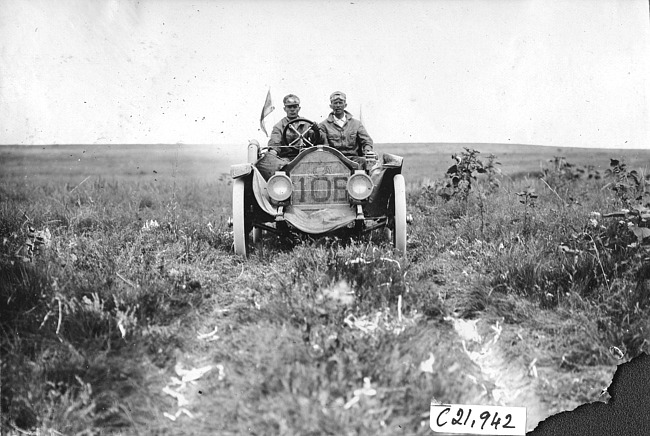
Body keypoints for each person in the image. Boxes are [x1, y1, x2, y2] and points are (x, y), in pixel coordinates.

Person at [256, 94, 319, 179]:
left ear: (299, 108)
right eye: (289, 107)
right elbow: (275, 144)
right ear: (285, 109)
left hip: (305, 157)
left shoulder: (307, 124)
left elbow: (316, 140)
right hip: (286, 160)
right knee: (270, 163)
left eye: (294, 106)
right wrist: (273, 152)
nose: (292, 109)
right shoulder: (279, 126)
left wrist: (316, 131)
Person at [318, 91, 375, 166]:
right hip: (334, 161)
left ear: (345, 105)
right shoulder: (323, 125)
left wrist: (367, 151)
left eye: (340, 102)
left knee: (369, 165)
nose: (338, 105)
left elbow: (367, 141)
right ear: (331, 106)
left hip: (355, 160)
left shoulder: (356, 124)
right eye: (335, 103)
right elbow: (325, 147)